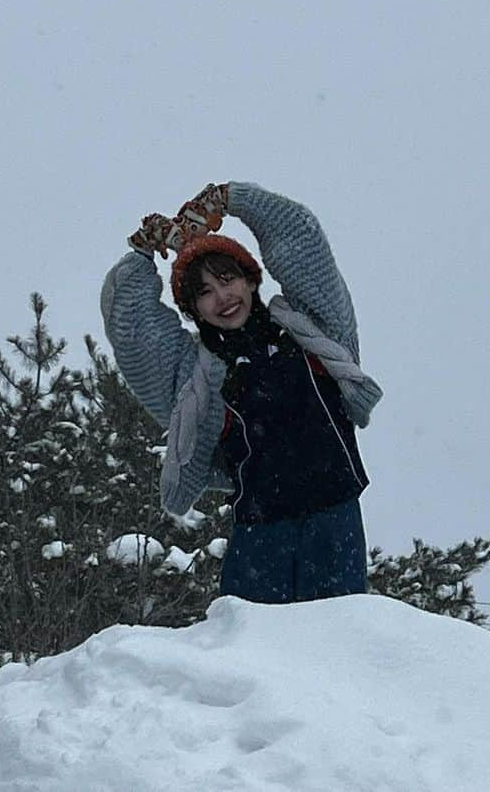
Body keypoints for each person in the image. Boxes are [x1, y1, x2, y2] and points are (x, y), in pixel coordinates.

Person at [100, 181, 383, 605]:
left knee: (335, 655)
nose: (222, 298)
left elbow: (302, 244)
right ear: (193, 311)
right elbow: (132, 330)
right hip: (260, 535)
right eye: (204, 293)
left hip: (335, 521)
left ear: (251, 280)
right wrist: (141, 255)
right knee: (252, 661)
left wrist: (231, 199)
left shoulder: (314, 333)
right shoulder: (193, 375)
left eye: (227, 279)